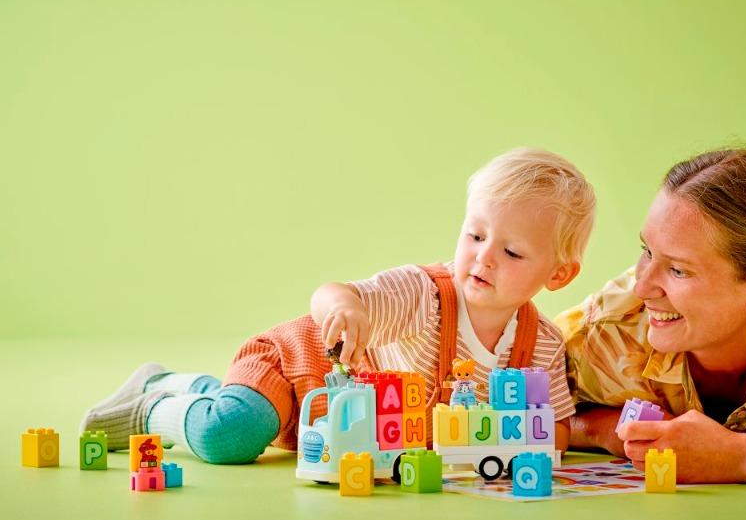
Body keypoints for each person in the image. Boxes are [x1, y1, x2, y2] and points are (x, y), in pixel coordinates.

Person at [81, 148, 596, 462]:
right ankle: (157, 397)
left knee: (244, 426)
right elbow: (334, 294)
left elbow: (550, 431)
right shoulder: (423, 296)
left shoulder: (541, 346)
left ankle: (200, 391)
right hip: (299, 369)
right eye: (475, 234)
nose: (483, 258)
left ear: (558, 274)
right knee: (230, 436)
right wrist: (344, 309)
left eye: (510, 252)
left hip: (342, 434)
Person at [557, 147, 746, 483]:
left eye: (678, 270)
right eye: (647, 252)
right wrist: (606, 429)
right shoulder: (608, 329)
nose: (643, 287)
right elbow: (517, 409)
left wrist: (736, 456)